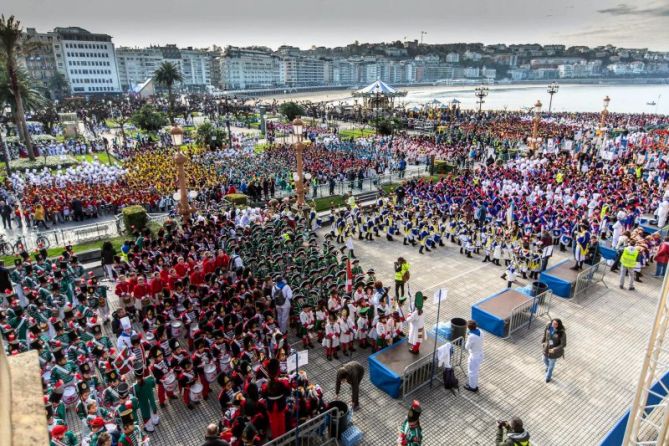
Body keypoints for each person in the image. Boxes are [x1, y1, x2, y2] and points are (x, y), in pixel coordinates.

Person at [542, 318, 566, 383]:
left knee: (551, 365)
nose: (554, 325)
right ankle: (548, 367)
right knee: (544, 359)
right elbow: (545, 334)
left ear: (559, 325)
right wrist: (543, 342)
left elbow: (563, 344)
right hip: (546, 348)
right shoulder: (548, 326)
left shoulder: (561, 333)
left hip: (554, 352)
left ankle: (548, 377)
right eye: (553, 323)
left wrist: (554, 349)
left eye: (556, 324)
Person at [464, 320, 483, 392]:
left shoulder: (471, 337)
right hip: (480, 353)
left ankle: (472, 387)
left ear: (469, 328)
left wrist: (468, 337)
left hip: (474, 356)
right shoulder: (481, 332)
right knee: (475, 371)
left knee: (472, 372)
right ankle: (474, 384)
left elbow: (466, 347)